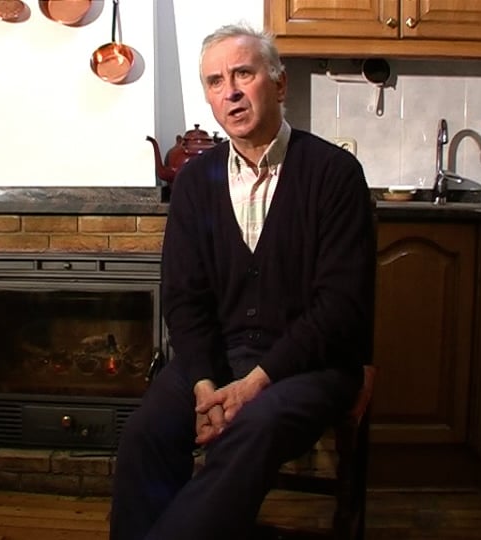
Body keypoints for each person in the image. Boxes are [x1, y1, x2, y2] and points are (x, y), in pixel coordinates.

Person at [109, 23, 377, 540]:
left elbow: (340, 307)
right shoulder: (194, 182)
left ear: (279, 83)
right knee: (146, 432)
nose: (229, 91)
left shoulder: (335, 173)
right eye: (215, 81)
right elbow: (184, 299)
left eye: (243, 74)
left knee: (252, 428)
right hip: (218, 358)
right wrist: (206, 385)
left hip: (310, 366)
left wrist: (254, 384)